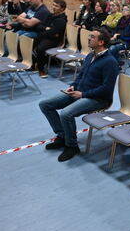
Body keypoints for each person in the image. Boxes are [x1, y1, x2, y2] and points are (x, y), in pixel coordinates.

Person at [38, 29, 119, 162]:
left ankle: (72, 146)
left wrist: (83, 94)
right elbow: (81, 75)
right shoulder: (90, 56)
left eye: (92, 37)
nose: (88, 39)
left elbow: (106, 89)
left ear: (101, 42)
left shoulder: (110, 62)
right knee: (45, 104)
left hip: (98, 99)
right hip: (80, 92)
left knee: (66, 114)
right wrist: (73, 85)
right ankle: (63, 136)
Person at [34, 0, 67, 78]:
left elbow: (53, 33)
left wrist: (44, 30)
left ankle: (41, 69)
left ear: (62, 9)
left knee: (40, 48)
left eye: (56, 6)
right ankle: (34, 63)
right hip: (46, 36)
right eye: (53, 5)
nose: (54, 7)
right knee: (29, 42)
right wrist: (46, 28)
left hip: (55, 40)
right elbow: (39, 26)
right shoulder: (50, 15)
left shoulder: (62, 19)